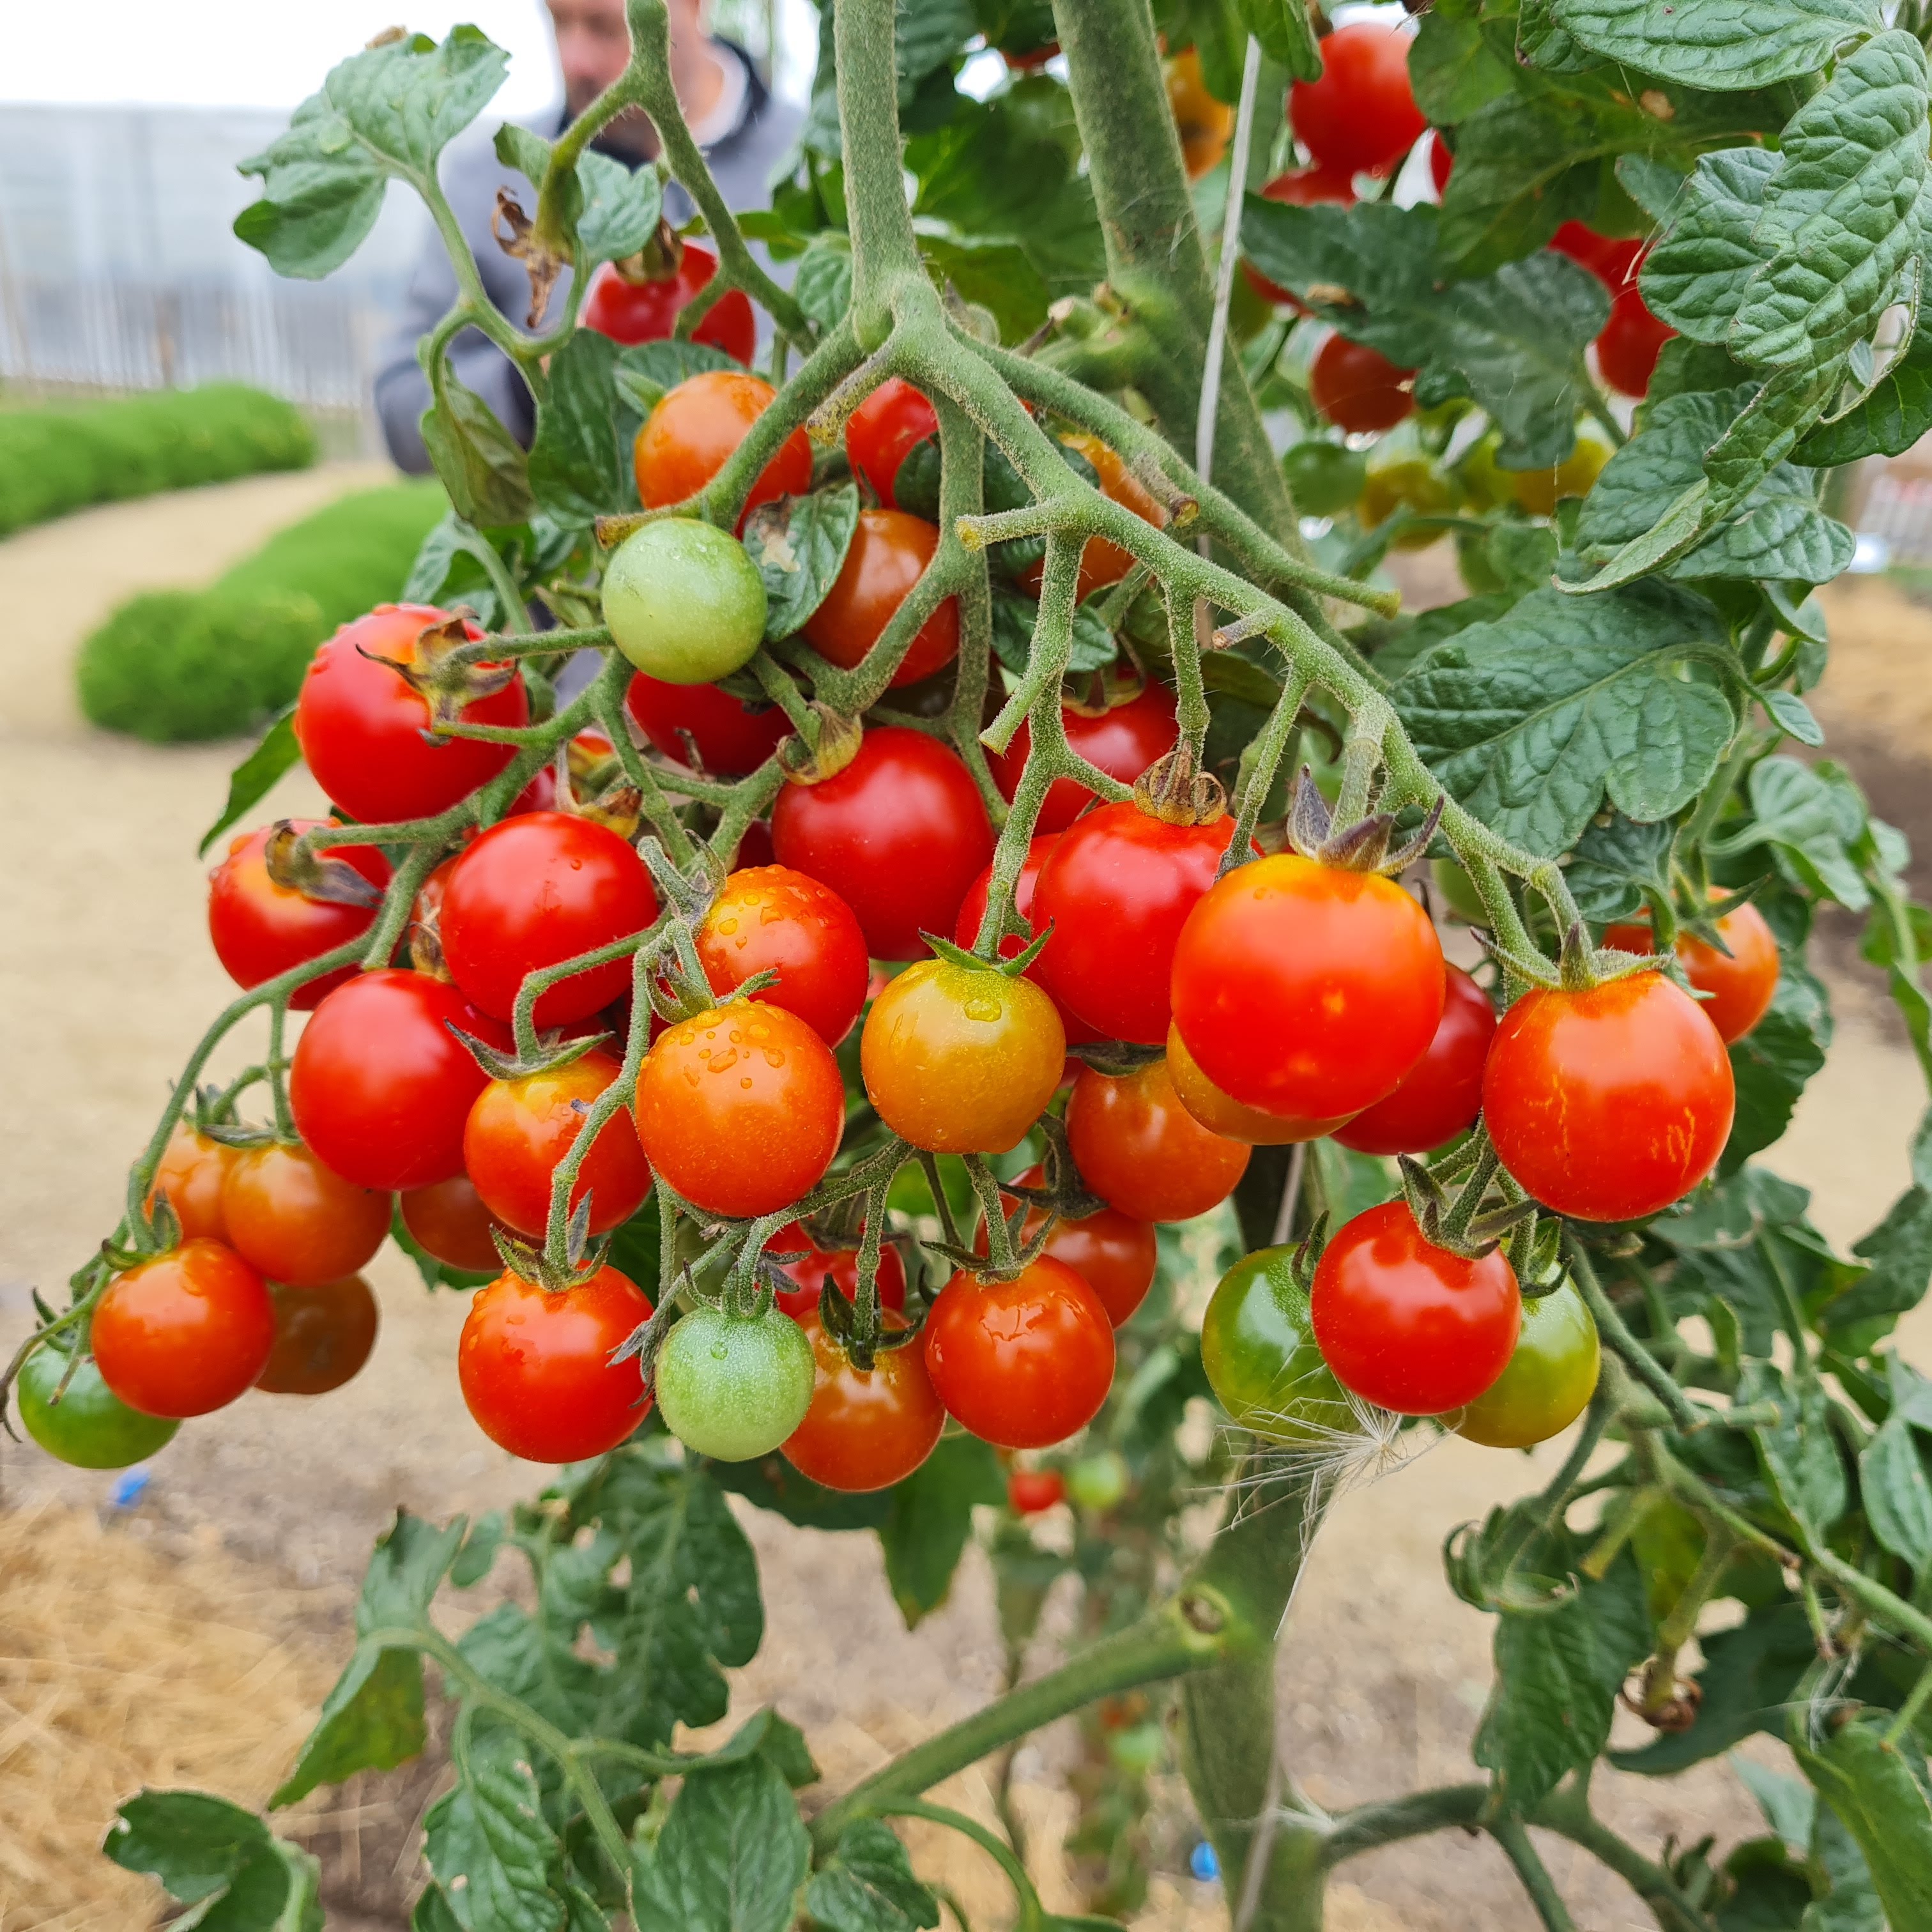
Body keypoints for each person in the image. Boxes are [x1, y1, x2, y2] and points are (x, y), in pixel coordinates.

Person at [375, 0, 801, 472]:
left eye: (604, 26)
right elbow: (400, 413)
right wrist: (536, 381)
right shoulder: (493, 187)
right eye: (559, 22)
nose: (575, 61)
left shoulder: (820, 158)